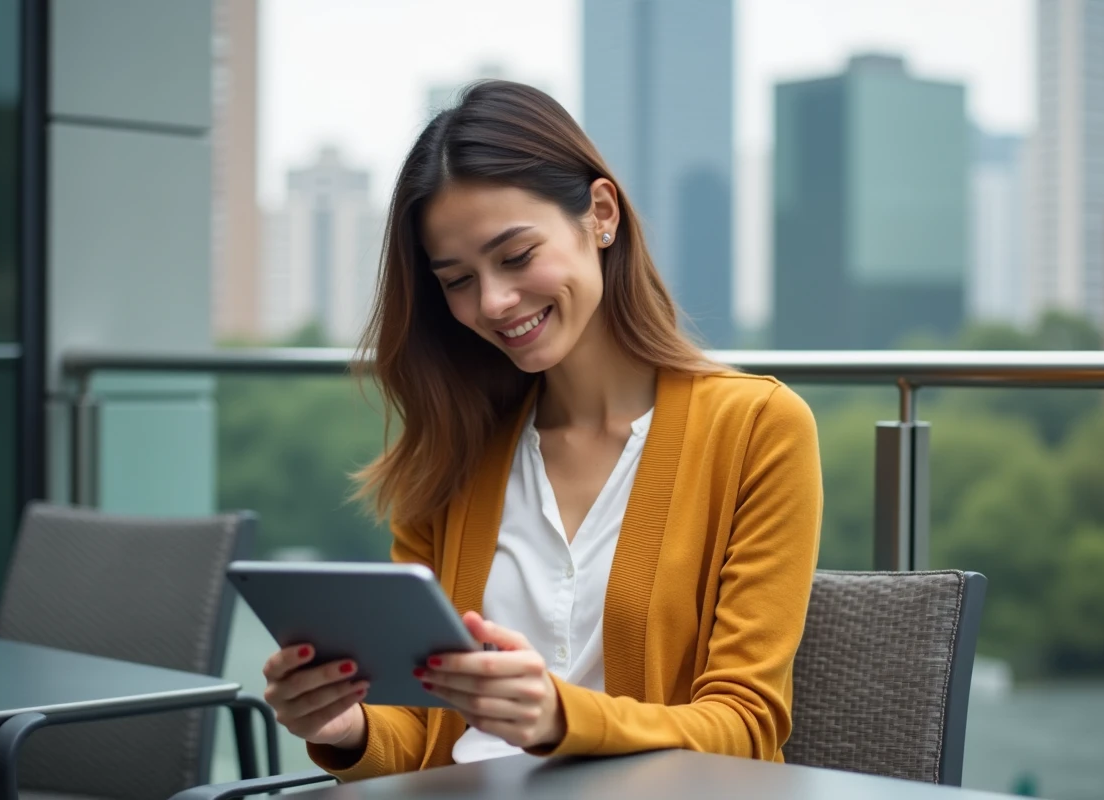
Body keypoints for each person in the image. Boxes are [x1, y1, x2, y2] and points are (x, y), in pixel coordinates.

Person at [260, 80, 823, 781]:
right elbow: (423, 732)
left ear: (601, 214)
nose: (493, 302)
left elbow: (747, 726)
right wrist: (347, 729)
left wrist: (562, 718)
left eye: (517, 256)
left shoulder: (756, 429)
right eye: (458, 279)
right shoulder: (456, 445)